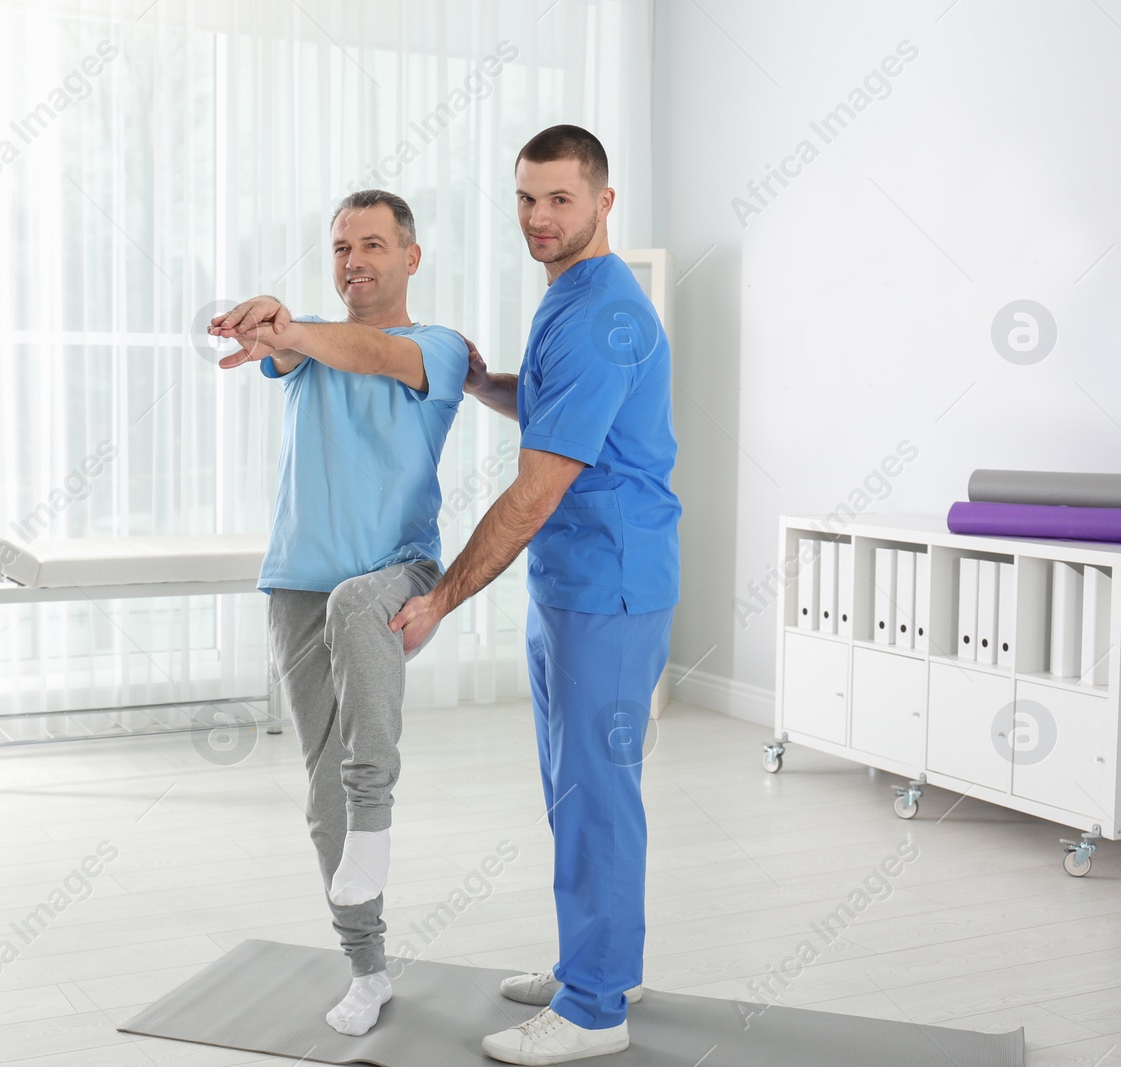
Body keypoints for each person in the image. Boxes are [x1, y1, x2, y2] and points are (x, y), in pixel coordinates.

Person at [389, 125, 680, 1064]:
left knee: (596, 792)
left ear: (603, 202)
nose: (539, 217)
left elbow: (537, 488)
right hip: (574, 581)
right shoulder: (570, 295)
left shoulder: (602, 314)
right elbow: (557, 405)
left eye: (560, 198)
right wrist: (482, 384)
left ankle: (596, 1011)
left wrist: (439, 599)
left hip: (610, 586)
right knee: (576, 789)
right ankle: (604, 963)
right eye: (525, 198)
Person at [209, 189, 469, 1038]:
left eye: (371, 245)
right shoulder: (306, 344)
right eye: (339, 248)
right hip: (296, 583)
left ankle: (378, 817)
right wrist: (274, 330)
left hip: (398, 572)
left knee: (360, 602)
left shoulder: (438, 350)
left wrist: (289, 327)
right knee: (322, 796)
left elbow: (372, 355)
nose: (353, 260)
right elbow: (298, 351)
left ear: (411, 257)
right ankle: (368, 967)